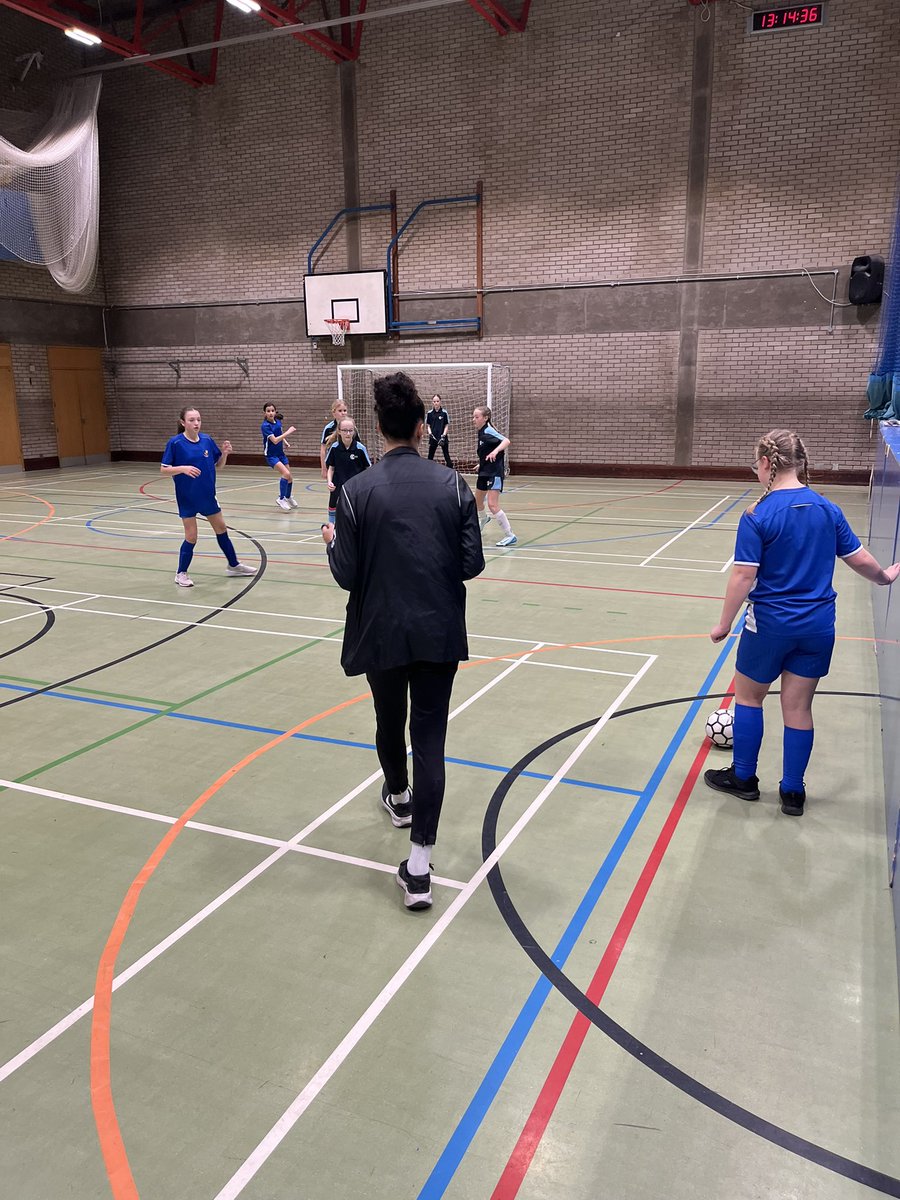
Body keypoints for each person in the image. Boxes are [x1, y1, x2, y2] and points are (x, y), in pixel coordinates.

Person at [321, 371, 485, 910]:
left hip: (383, 630)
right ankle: (419, 868)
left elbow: (346, 575)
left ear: (379, 428)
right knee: (430, 739)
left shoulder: (353, 492)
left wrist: (331, 542)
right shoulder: (453, 486)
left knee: (389, 721)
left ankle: (398, 795)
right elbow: (471, 563)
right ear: (421, 427)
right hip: (437, 630)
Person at [705, 428, 900, 816]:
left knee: (748, 697)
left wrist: (723, 623)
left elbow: (743, 576)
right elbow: (859, 558)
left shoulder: (758, 515)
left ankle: (744, 778)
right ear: (801, 462)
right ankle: (793, 792)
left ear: (765, 464)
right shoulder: (827, 508)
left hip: (771, 626)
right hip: (817, 627)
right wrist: (885, 577)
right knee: (798, 708)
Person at [160, 406, 257, 588]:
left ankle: (233, 565)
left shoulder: (206, 440)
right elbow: (163, 469)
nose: (196, 423)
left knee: (222, 530)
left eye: (198, 419)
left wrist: (225, 453)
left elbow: (218, 465)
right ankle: (181, 573)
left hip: (208, 496)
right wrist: (182, 468)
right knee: (191, 537)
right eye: (191, 420)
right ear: (183, 423)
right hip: (187, 497)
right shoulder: (175, 443)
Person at [473, 404, 516, 547]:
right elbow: (486, 450)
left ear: (485, 418)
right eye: (473, 417)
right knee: (477, 502)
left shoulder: (489, 430)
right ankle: (483, 519)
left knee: (492, 504)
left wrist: (495, 452)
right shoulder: (481, 432)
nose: (474, 419)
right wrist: (482, 463)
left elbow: (506, 441)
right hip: (485, 471)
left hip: (494, 473)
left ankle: (510, 535)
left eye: (477, 417)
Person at [325, 417, 372, 524]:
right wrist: (329, 481)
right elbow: (331, 468)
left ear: (354, 431)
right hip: (338, 484)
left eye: (350, 430)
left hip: (356, 486)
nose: (348, 433)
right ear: (339, 431)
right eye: (345, 430)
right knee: (333, 506)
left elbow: (368, 468)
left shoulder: (360, 448)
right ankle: (332, 528)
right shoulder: (334, 448)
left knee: (356, 509)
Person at [260, 403, 298, 511]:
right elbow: (275, 440)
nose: (271, 413)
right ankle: (281, 499)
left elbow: (279, 433)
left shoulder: (278, 422)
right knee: (285, 474)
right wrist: (289, 432)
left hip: (280, 453)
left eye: (272, 410)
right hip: (271, 455)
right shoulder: (265, 426)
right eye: (268, 411)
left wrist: (285, 441)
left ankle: (288, 496)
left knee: (290, 477)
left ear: (275, 412)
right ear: (265, 413)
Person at [320, 399, 349, 479]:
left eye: (345, 410)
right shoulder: (328, 428)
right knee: (335, 488)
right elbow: (323, 449)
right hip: (334, 465)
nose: (343, 413)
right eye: (340, 411)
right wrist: (324, 468)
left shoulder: (352, 427)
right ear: (334, 413)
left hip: (349, 463)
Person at [426, 394, 453, 467]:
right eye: (434, 401)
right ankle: (427, 470)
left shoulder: (444, 413)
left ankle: (451, 470)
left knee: (446, 455)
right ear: (432, 402)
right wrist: (430, 434)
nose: (436, 403)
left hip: (442, 437)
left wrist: (444, 436)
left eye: (437, 401)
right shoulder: (429, 413)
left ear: (440, 402)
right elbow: (428, 426)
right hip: (433, 437)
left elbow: (446, 425)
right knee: (430, 456)